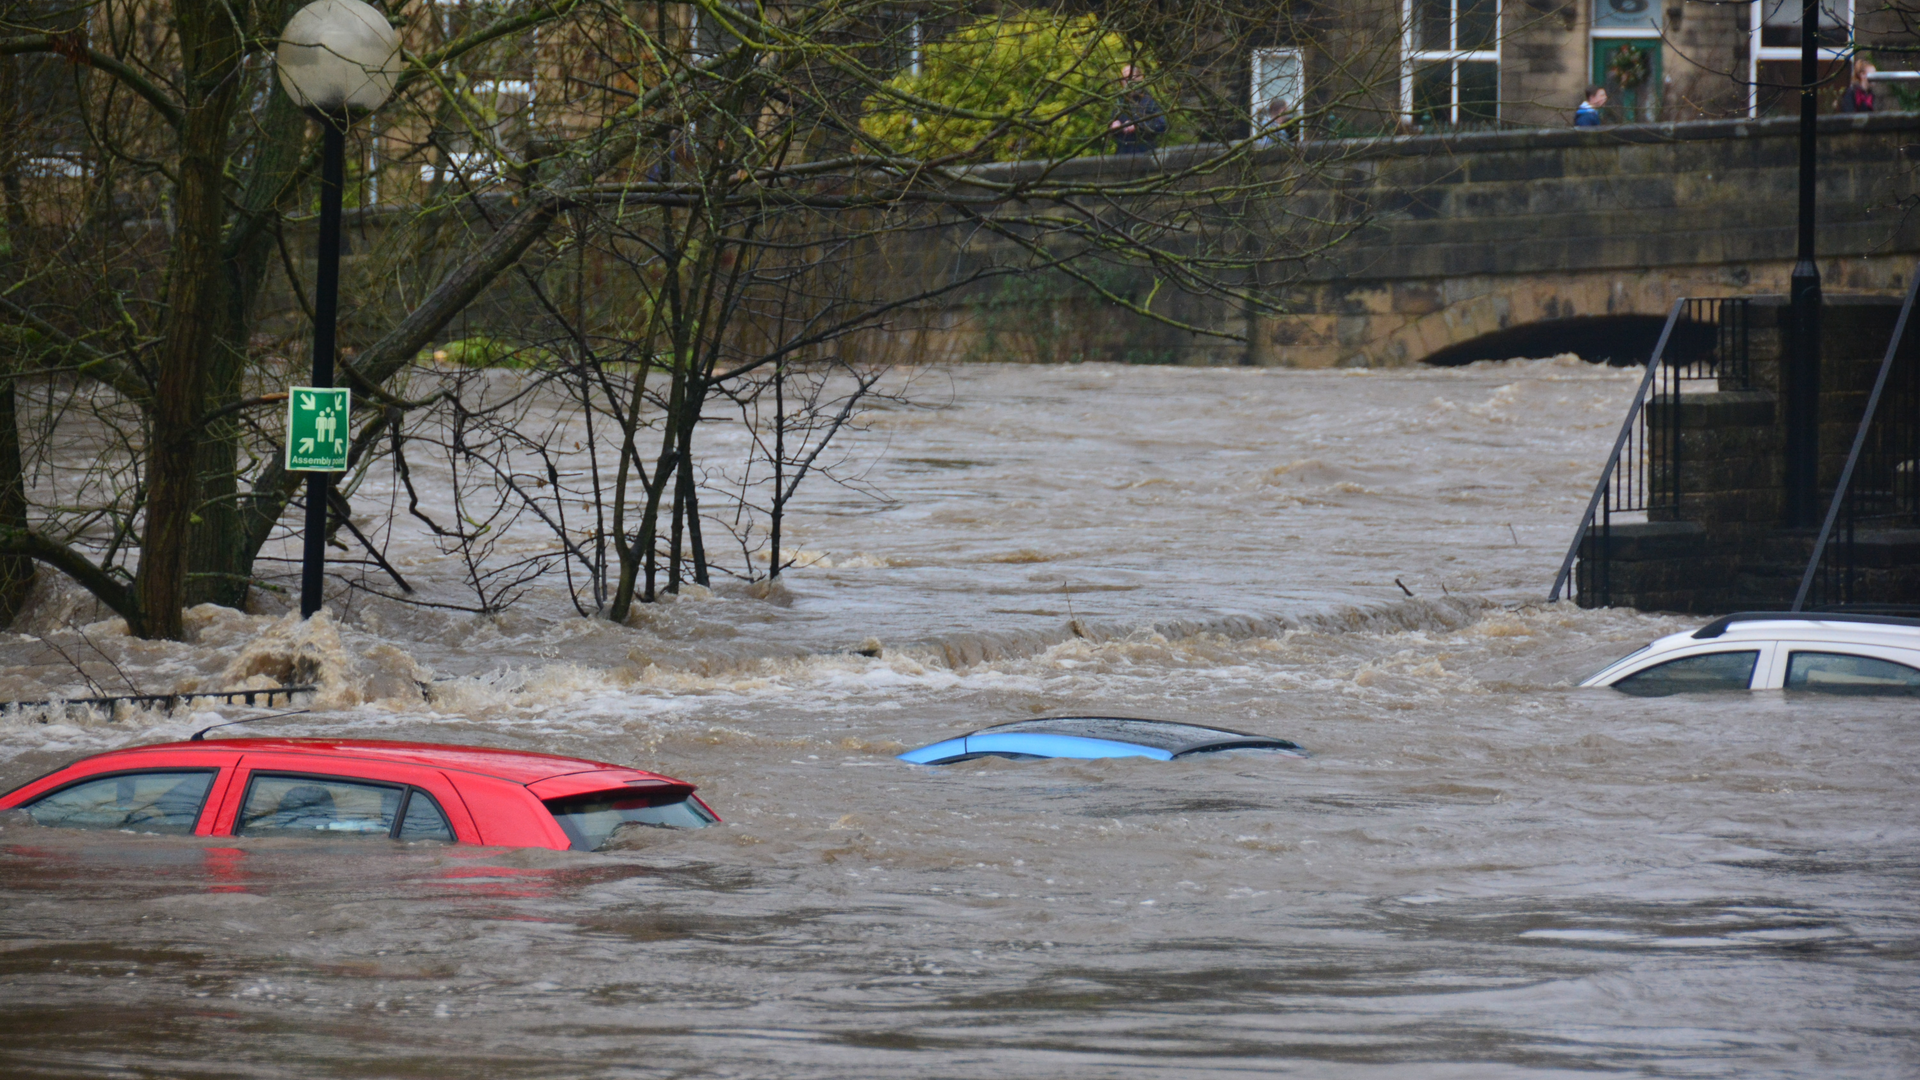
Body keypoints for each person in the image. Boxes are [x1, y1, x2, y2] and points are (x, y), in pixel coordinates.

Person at [1110, 64, 1169, 154]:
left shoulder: (1149, 100)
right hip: (1122, 155)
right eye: (1124, 80)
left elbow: (1161, 125)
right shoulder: (1120, 102)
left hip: (1145, 153)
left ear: (1140, 78)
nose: (1128, 83)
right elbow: (1111, 126)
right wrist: (1113, 125)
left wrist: (1137, 126)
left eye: (1131, 79)